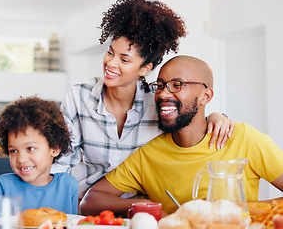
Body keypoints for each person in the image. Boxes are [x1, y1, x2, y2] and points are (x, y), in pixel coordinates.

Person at [51, 0, 233, 200]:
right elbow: (62, 161)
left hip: (143, 209)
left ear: (145, 68)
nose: (111, 63)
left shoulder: (159, 101)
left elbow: (191, 121)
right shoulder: (79, 95)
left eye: (124, 59)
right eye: (110, 53)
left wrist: (217, 116)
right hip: (85, 205)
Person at [80, 55, 283, 215]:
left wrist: (241, 209)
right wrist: (146, 205)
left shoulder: (244, 138)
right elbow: (91, 201)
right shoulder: (149, 155)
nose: (163, 94)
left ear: (206, 96)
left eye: (177, 85)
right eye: (159, 86)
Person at [0, 97, 78, 215]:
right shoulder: (3, 185)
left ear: (55, 148)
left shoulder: (68, 184)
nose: (21, 159)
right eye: (13, 151)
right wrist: (16, 221)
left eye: (30, 148)